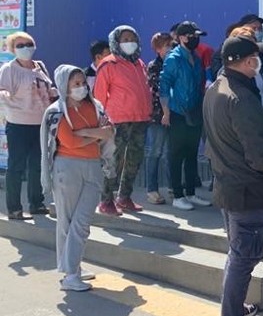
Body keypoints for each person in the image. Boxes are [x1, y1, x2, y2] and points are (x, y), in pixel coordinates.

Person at [203, 34, 263, 316]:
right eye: (256, 59)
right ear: (248, 60)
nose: (258, 64)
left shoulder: (216, 88)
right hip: (248, 190)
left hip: (229, 185)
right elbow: (259, 154)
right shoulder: (241, 98)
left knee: (237, 255)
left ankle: (235, 311)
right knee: (244, 258)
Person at [40, 65, 115, 291]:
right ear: (65, 86)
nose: (82, 87)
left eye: (83, 83)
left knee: (82, 221)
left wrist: (85, 133)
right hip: (67, 168)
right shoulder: (56, 112)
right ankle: (71, 273)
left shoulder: (96, 106)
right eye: (76, 84)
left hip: (93, 166)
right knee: (68, 221)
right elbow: (70, 142)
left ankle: (71, 267)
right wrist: (96, 134)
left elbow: (109, 131)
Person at [93, 25, 153, 215]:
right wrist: (101, 120)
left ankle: (124, 196)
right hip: (117, 120)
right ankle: (106, 200)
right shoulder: (108, 64)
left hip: (140, 118)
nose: (130, 43)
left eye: (133, 39)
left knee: (134, 159)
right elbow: (99, 96)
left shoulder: (139, 63)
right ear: (116, 42)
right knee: (114, 160)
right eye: (125, 39)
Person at [0, 31, 57, 219]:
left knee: (37, 165)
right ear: (12, 49)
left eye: (29, 44)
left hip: (40, 123)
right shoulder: (9, 69)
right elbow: (2, 92)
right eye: (20, 45)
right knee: (16, 167)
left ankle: (36, 203)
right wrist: (9, 99)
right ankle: (14, 208)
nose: (26, 48)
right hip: (18, 124)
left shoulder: (40, 66)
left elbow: (49, 89)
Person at [159, 21, 211, 211]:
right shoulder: (173, 58)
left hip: (194, 111)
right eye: (191, 36)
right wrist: (166, 112)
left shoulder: (196, 57)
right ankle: (177, 195)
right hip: (177, 112)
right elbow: (164, 85)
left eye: (197, 36)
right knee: (176, 154)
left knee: (191, 153)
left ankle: (190, 192)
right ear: (181, 38)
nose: (195, 39)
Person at [144, 32, 174, 205]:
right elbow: (157, 90)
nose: (170, 49)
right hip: (157, 116)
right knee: (155, 151)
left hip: (174, 114)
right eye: (166, 46)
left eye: (171, 45)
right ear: (158, 49)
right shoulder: (154, 66)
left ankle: (173, 187)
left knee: (171, 153)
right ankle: (152, 189)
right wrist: (164, 112)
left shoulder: (175, 63)